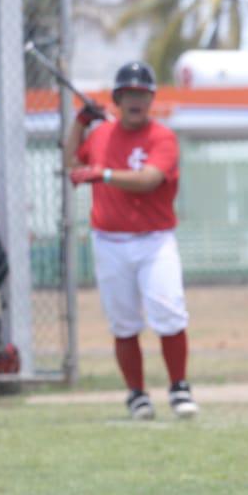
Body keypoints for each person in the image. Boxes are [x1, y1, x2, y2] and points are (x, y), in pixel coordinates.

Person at [63, 62, 195, 421]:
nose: (135, 100)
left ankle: (179, 385)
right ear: (118, 99)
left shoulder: (162, 138)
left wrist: (102, 174)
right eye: (128, 94)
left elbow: (150, 179)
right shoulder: (102, 136)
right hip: (109, 240)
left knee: (168, 312)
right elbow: (71, 159)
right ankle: (136, 394)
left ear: (150, 99)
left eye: (141, 94)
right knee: (123, 323)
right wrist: (79, 123)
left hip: (154, 240)